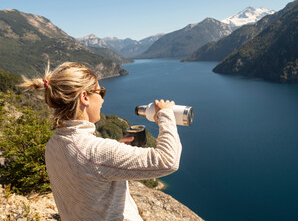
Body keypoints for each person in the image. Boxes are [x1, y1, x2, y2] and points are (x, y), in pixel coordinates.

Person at [20, 62, 182, 221]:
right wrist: (165, 115)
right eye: (101, 92)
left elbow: (87, 173)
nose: (103, 100)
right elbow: (168, 161)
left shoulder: (53, 145)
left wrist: (117, 152)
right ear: (84, 97)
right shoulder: (93, 151)